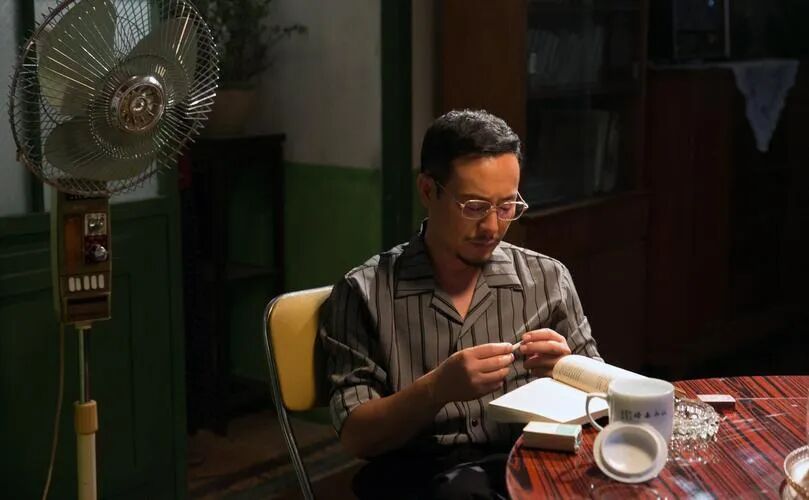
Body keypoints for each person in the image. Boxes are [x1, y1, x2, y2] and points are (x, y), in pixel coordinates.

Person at [319, 109, 602, 499]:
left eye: (507, 207)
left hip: (531, 463)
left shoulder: (548, 279)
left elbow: (602, 400)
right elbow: (357, 436)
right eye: (474, 207)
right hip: (419, 477)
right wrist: (436, 389)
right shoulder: (364, 292)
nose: (492, 227)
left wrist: (569, 369)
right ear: (428, 191)